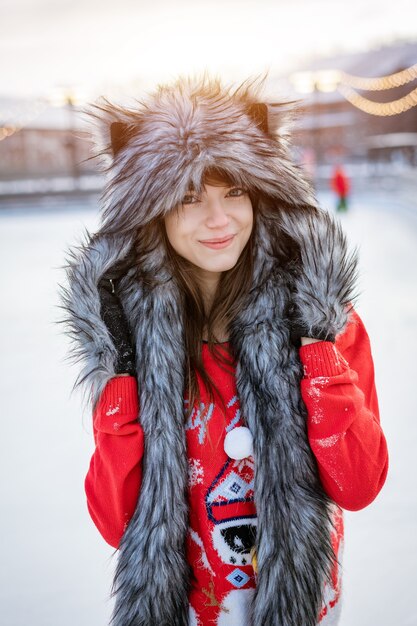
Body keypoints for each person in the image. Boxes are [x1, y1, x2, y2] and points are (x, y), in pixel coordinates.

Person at [59, 73, 389, 626]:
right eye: (190, 198)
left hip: (300, 609)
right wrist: (120, 382)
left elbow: (357, 483)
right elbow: (117, 521)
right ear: (153, 213)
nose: (219, 219)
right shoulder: (128, 342)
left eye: (234, 191)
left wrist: (319, 358)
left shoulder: (323, 322)